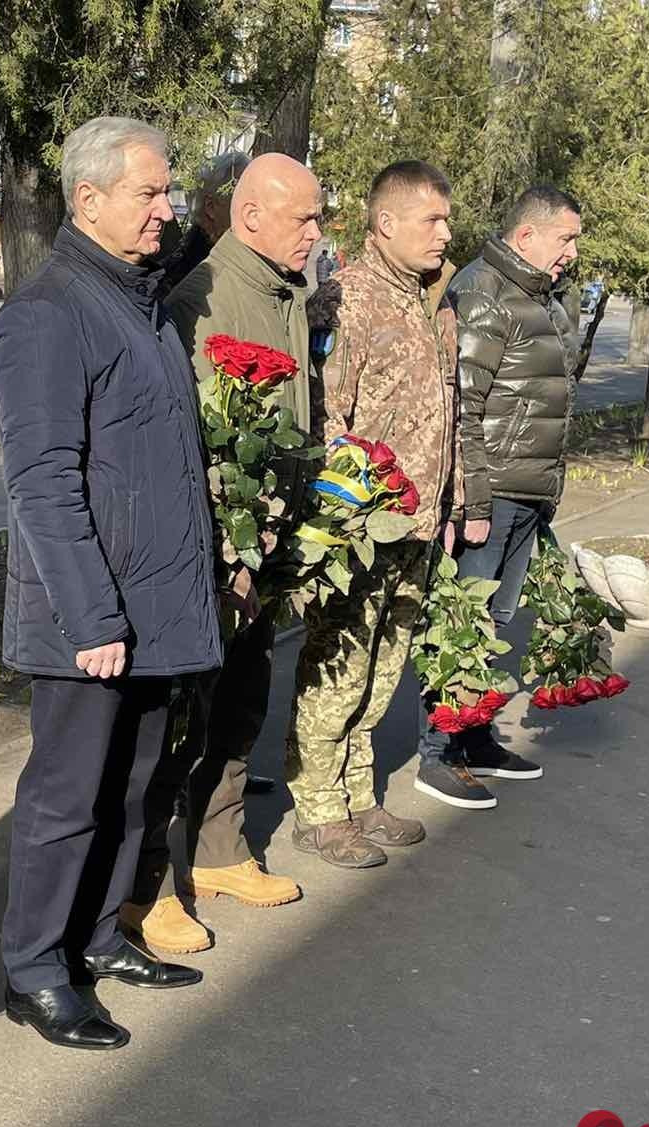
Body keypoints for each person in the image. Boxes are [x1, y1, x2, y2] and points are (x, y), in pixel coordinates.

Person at [0, 116, 220, 1051]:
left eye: (167, 194)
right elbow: (41, 481)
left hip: (154, 605)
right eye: (149, 194)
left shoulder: (139, 304)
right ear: (87, 201)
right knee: (66, 799)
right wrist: (90, 615)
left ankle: (96, 936)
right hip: (92, 616)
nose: (165, 211)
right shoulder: (46, 314)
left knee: (130, 791)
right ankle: (35, 969)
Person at [124, 153, 321, 954]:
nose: (315, 232)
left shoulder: (286, 293)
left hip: (271, 545)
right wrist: (230, 549)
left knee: (242, 705)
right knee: (182, 722)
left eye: (317, 216)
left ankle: (219, 854)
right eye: (303, 217)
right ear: (250, 218)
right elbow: (194, 440)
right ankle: (148, 886)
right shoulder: (201, 300)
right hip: (218, 553)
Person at [287, 160, 464, 869]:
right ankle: (319, 809)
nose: (445, 234)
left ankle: (358, 798)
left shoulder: (429, 302)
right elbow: (328, 422)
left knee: (381, 672)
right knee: (337, 669)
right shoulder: (346, 301)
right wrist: (345, 524)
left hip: (417, 529)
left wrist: (444, 506)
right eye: (432, 220)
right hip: (364, 532)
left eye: (446, 220)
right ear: (386, 223)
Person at [412, 185, 582, 811]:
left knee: (499, 626)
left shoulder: (547, 299)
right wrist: (473, 501)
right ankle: (436, 752)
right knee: (464, 620)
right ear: (528, 236)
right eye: (564, 238)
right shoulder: (485, 291)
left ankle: (475, 739)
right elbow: (465, 404)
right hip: (494, 491)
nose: (570, 252)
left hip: (531, 490)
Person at [157, 149, 250, 299]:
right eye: (243, 197)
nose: (254, 211)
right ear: (211, 207)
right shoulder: (180, 277)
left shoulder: (252, 260)